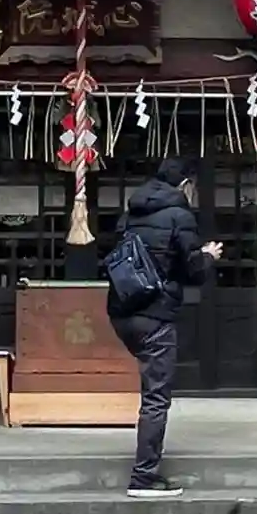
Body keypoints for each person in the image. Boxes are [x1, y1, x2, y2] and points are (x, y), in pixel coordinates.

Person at [105, 158, 222, 496]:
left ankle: (145, 470)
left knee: (151, 387)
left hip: (122, 312)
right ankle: (144, 477)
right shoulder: (179, 216)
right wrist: (208, 256)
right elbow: (192, 271)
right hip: (154, 315)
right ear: (185, 184)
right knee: (156, 397)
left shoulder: (131, 212)